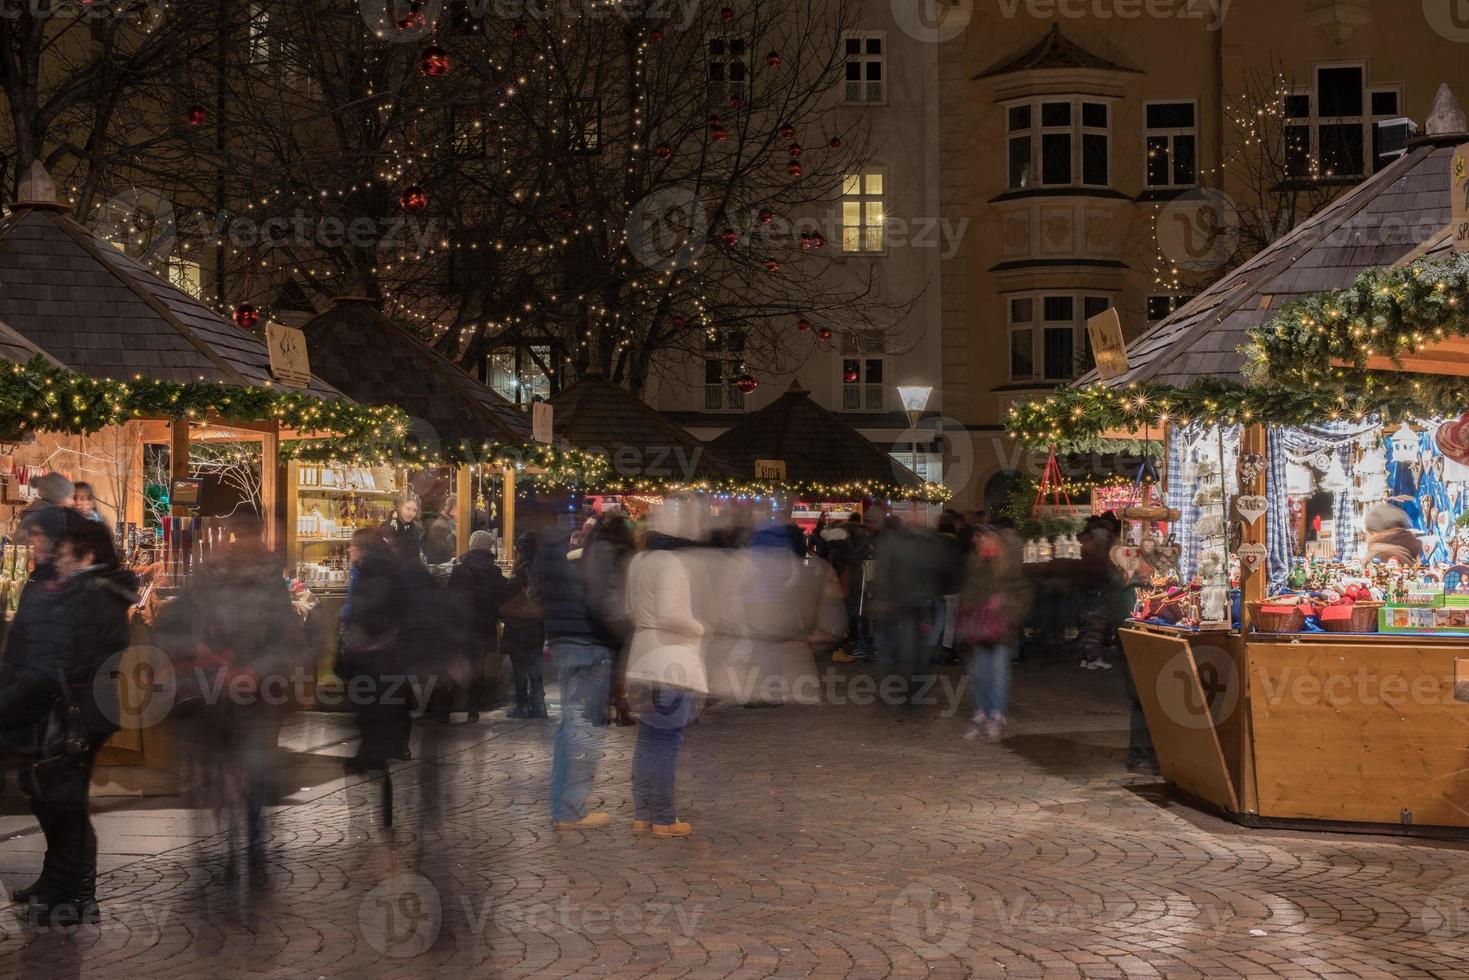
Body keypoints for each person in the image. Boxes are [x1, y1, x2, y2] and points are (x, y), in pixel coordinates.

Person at [0, 510, 137, 925]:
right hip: (50, 706)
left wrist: (10, 702)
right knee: (45, 793)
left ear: (81, 550)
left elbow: (62, 659)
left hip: (75, 712)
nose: (45, 550)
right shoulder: (58, 583)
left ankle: (76, 895)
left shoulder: (96, 592)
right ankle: (57, 881)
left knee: (64, 801)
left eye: (51, 542)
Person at [154, 515, 306, 885]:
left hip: (249, 691)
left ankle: (247, 844)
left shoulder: (249, 580)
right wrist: (199, 651)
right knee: (223, 768)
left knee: (245, 767)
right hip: (220, 689)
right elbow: (177, 624)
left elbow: (285, 641)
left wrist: (253, 671)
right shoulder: (235, 578)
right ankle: (234, 846)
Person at [624, 513, 711, 838]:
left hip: (642, 656)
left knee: (648, 740)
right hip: (669, 661)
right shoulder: (671, 563)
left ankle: (642, 814)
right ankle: (663, 818)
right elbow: (672, 614)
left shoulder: (639, 562)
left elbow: (632, 611)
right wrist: (701, 628)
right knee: (665, 743)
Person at [535, 528, 621, 831]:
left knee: (569, 729)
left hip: (564, 643)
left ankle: (562, 807)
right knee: (584, 731)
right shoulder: (594, 560)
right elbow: (601, 606)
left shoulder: (550, 557)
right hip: (588, 646)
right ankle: (570, 809)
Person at [338, 527, 412, 772]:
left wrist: (357, 630)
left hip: (374, 647)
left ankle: (373, 752)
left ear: (364, 548)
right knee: (383, 697)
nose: (349, 549)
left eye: (353, 545)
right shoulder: (386, 567)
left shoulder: (371, 571)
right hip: (384, 646)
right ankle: (388, 746)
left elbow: (367, 606)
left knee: (370, 700)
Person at [960, 524, 1031, 741]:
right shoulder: (975, 562)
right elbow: (968, 590)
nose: (977, 540)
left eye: (981, 536)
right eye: (976, 537)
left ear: (993, 538)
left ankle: (996, 715)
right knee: (980, 674)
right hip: (979, 627)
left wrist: (1012, 613)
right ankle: (982, 712)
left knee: (997, 674)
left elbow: (1024, 591)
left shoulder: (1009, 562)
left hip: (1001, 626)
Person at [443, 530, 514, 723]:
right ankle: (473, 711)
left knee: (456, 667)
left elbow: (450, 599)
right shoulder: (494, 571)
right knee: (478, 668)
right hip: (484, 626)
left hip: (462, 626)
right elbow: (502, 596)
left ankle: (445, 711)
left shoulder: (459, 569)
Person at [501, 531, 548, 719]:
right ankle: (539, 706)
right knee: (535, 667)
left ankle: (522, 706)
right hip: (537, 625)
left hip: (520, 626)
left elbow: (507, 593)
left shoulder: (522, 570)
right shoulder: (542, 569)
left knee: (519, 667)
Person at [381, 492, 424, 563]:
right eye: (408, 508)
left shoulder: (413, 528)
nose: (411, 513)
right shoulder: (389, 527)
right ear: (400, 507)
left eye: (414, 510)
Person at [423, 494, 458, 565]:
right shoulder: (441, 526)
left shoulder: (450, 524)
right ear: (452, 510)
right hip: (441, 571)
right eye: (459, 509)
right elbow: (445, 553)